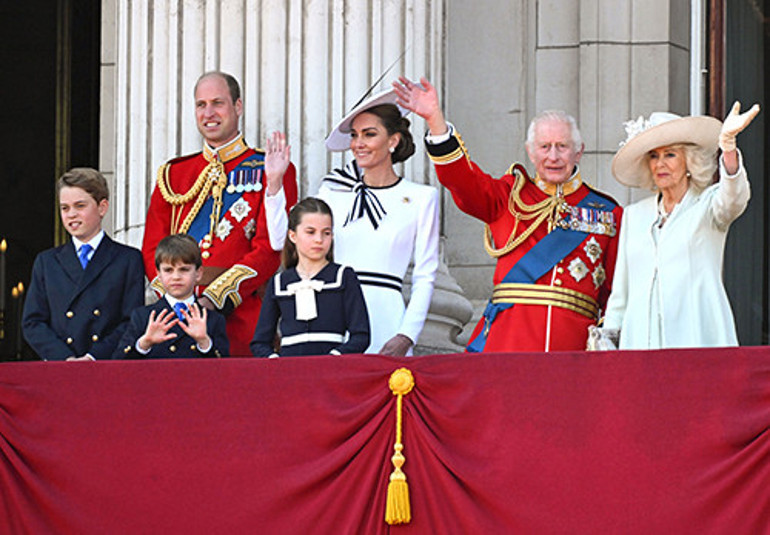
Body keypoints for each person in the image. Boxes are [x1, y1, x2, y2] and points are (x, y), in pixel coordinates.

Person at [393, 76, 623, 352]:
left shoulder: (608, 213)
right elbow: (462, 180)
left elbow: (615, 293)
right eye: (544, 147)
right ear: (530, 152)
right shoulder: (508, 196)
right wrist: (435, 121)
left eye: (562, 146)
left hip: (574, 347)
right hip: (509, 341)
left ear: (578, 152)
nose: (553, 156)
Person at [141, 71, 298, 356]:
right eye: (201, 105)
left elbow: (269, 249)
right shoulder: (173, 174)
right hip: (176, 321)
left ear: (237, 107)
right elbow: (152, 247)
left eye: (218, 103)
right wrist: (177, 299)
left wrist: (215, 297)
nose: (209, 113)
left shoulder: (270, 168)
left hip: (242, 319)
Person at [600, 102, 760, 349]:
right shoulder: (634, 216)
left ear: (689, 162)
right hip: (640, 347)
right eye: (654, 156)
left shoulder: (708, 206)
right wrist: (608, 345)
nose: (660, 164)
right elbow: (620, 295)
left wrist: (728, 147)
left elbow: (734, 199)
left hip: (696, 340)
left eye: (670, 155)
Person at [317, 89, 440, 356]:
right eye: (354, 135)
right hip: (333, 313)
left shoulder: (422, 198)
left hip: (387, 317)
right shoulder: (332, 192)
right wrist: (275, 187)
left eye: (369, 134)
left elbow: (424, 275)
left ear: (393, 140)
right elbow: (286, 241)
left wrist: (407, 335)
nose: (358, 143)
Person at [23, 168, 145, 360]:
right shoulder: (47, 262)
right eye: (65, 208)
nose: (71, 214)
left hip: (107, 365)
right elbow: (33, 322)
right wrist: (64, 358)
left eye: (80, 206)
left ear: (102, 207)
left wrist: (93, 356)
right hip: (60, 369)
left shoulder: (128, 259)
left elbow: (132, 321)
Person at [250, 198, 369, 357]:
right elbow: (260, 342)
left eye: (326, 233)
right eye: (310, 232)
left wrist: (334, 358)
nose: (319, 240)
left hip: (331, 371)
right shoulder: (279, 282)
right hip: (290, 372)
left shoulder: (343, 276)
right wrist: (275, 362)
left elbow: (361, 336)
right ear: (292, 235)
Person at [116, 234, 229, 358]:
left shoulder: (212, 319)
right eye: (168, 270)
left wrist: (204, 342)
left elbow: (223, 370)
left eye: (184, 270)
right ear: (158, 275)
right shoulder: (143, 317)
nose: (176, 277)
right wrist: (144, 344)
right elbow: (120, 366)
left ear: (198, 273)